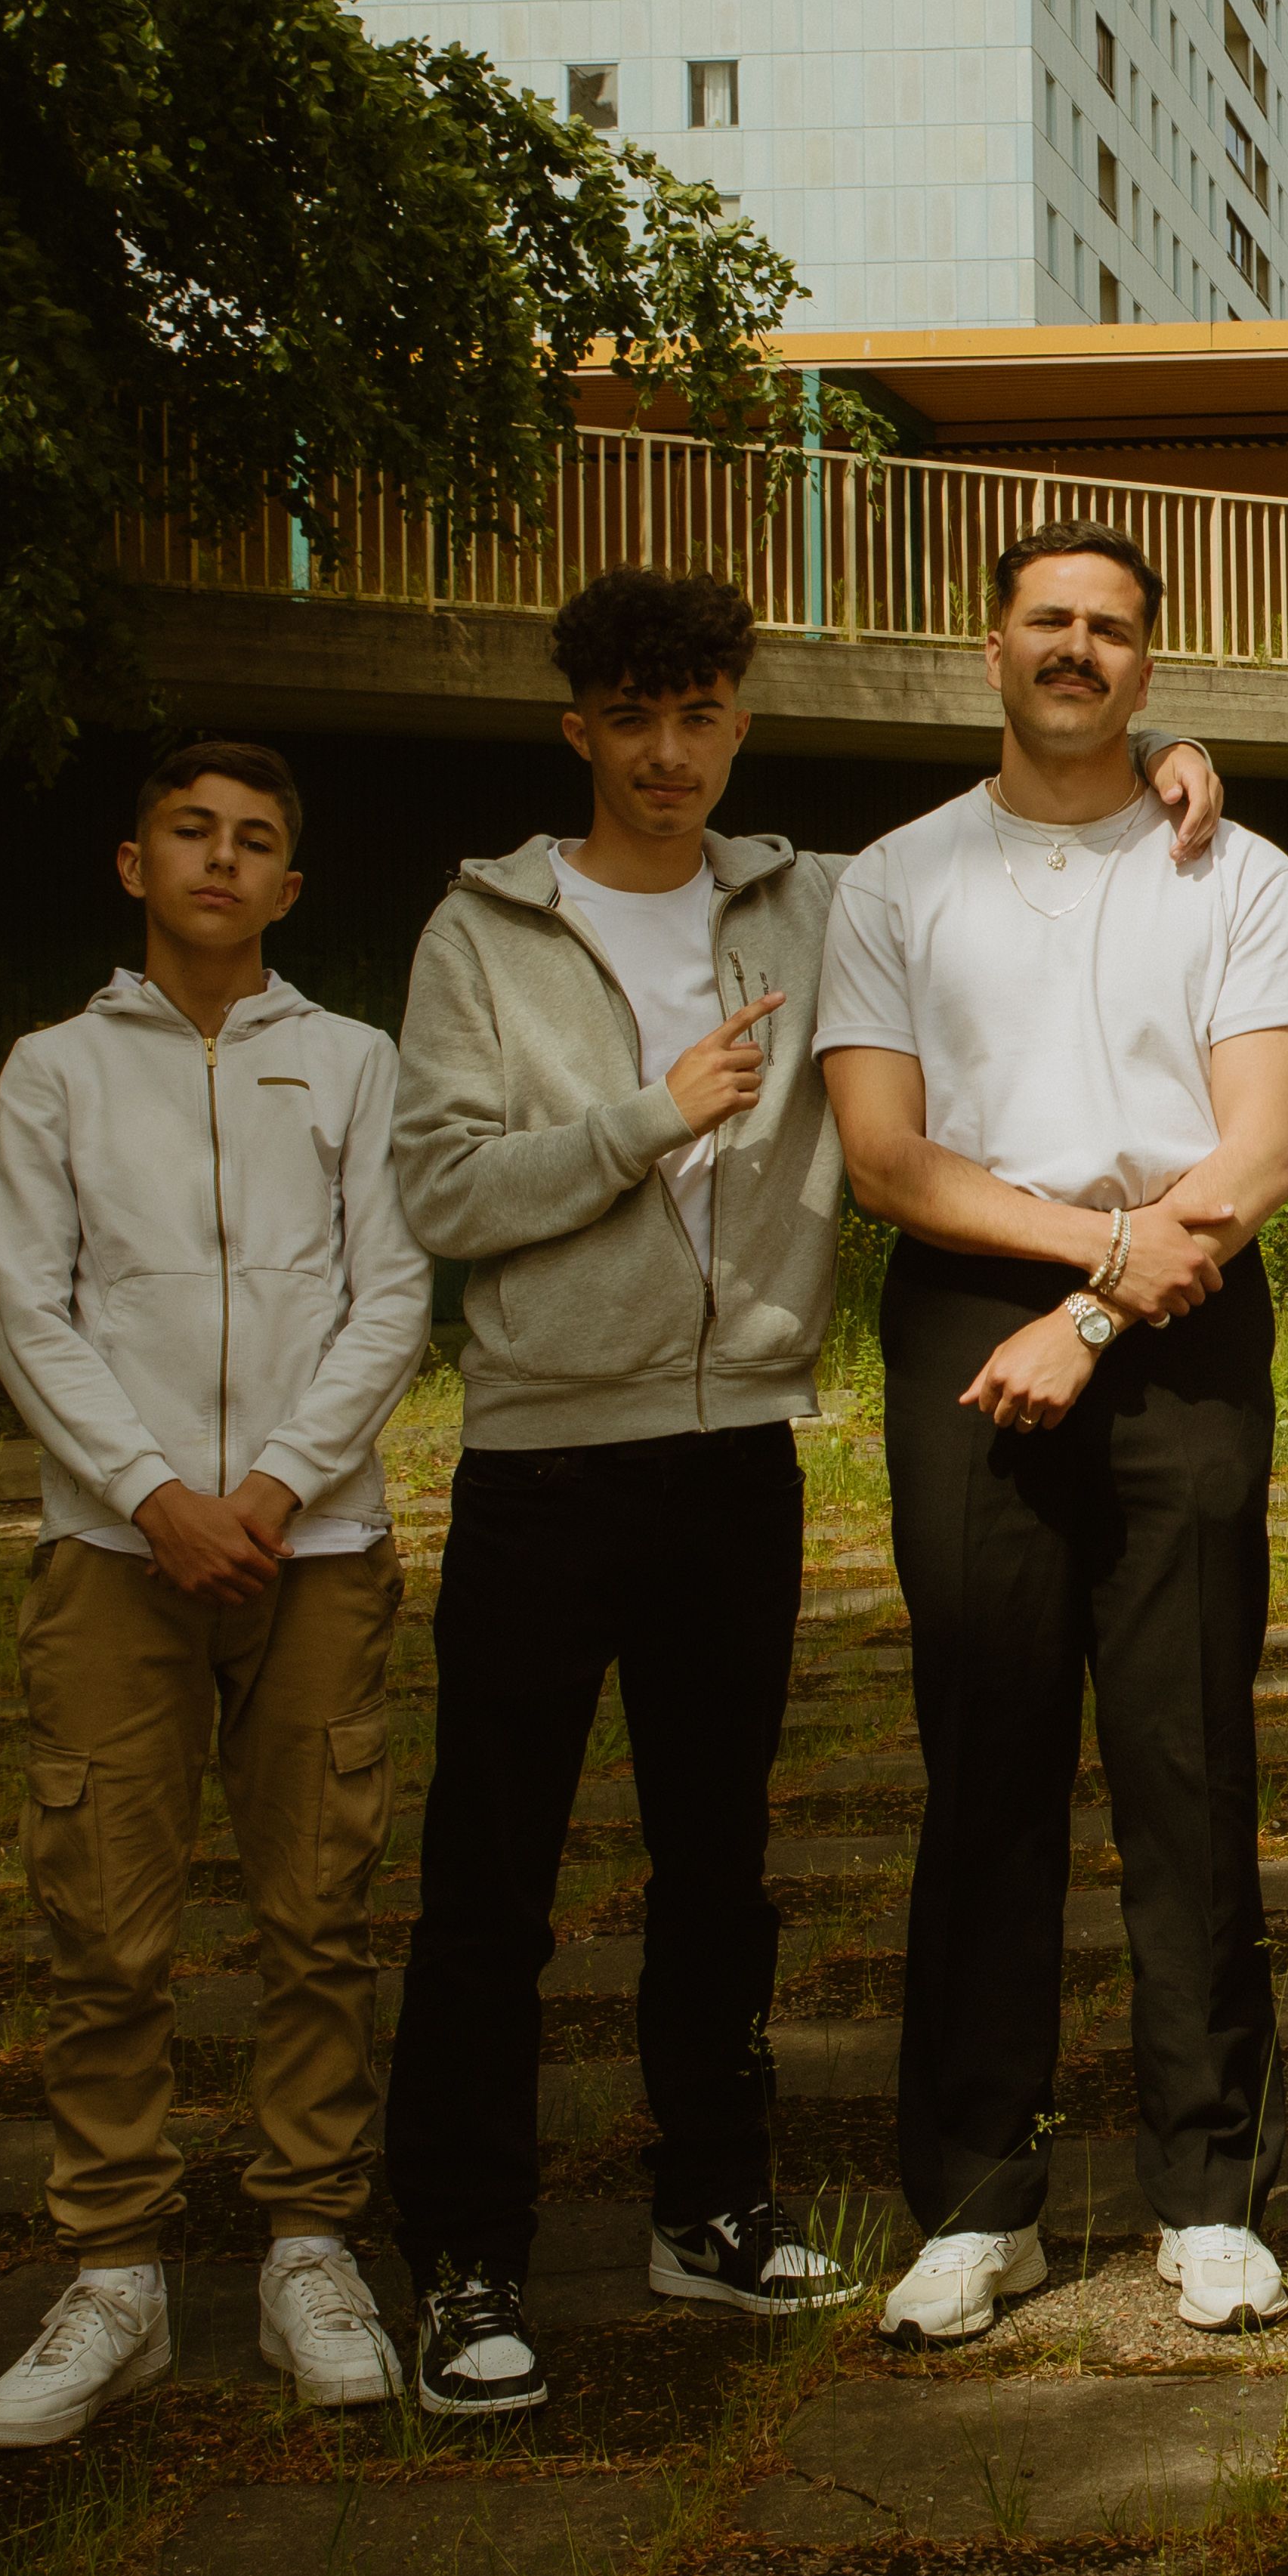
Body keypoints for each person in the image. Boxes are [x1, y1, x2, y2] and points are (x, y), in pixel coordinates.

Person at [822, 520, 1288, 2345]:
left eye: (1112, 626)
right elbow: (887, 1155)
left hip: (1186, 1312)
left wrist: (1109, 1298)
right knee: (987, 1761)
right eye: (1048, 618)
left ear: (1148, 663)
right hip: (977, 1311)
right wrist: (1089, 1255)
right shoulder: (895, 877)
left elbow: (1259, 1147)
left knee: (1190, 1758)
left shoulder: (1234, 870)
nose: (1078, 648)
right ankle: (978, 2202)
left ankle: (1210, 2189)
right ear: (992, 646)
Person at [381, 567, 869, 2420]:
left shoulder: (810, 900)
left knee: (719, 1864)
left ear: (741, 719)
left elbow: (1007, 852)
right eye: (635, 717)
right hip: (543, 1458)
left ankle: (711, 2201)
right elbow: (443, 1190)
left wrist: (1170, 766)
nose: (670, 751)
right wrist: (652, 1115)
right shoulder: (482, 929)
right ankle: (468, 2252)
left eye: (701, 713)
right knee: (490, 1877)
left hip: (734, 1451)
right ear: (577, 727)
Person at [0, 739, 430, 2445]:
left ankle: (311, 2242)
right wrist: (155, 1496)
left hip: (316, 1548)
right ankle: (115, 2274)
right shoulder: (56, 1071)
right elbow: (31, 1311)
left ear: (289, 888)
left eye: (253, 842)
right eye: (191, 832)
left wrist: (278, 1484)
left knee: (318, 1909)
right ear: (135, 863)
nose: (220, 860)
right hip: (116, 1554)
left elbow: (393, 1295)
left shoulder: (354, 1062)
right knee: (105, 1920)